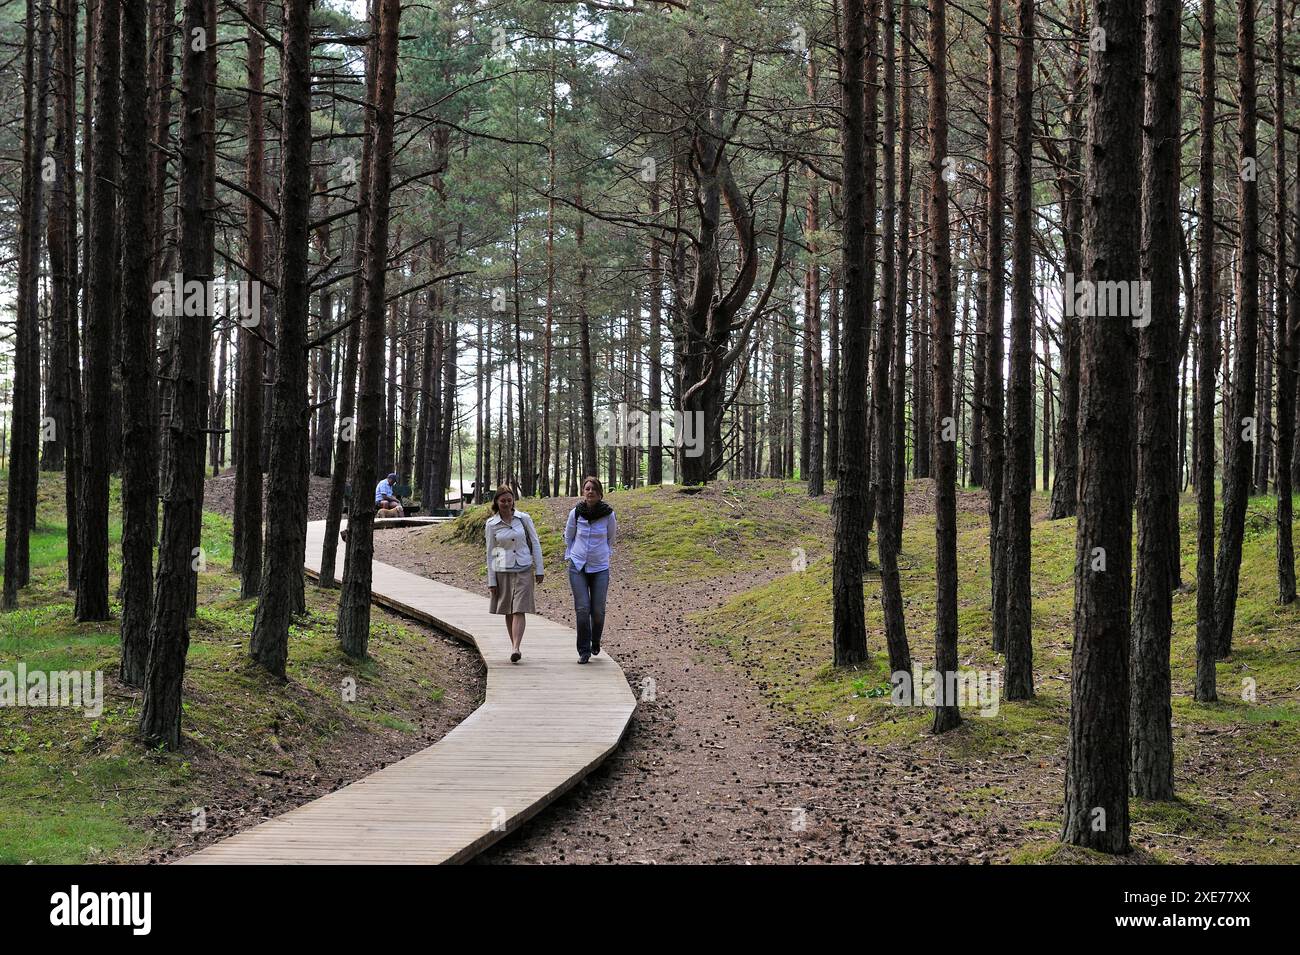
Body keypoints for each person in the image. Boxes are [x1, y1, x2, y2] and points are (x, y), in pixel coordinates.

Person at [485, 486, 544, 663]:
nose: (506, 503)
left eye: (509, 500)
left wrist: (539, 569)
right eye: (503, 500)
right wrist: (491, 580)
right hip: (503, 568)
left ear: (513, 501)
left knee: (519, 608)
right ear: (497, 502)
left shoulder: (523, 519)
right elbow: (490, 552)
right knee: (508, 610)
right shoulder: (491, 524)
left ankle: (516, 647)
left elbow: (535, 542)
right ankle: (514, 647)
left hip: (524, 567)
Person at [563, 476, 616, 664]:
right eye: (587, 488)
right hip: (578, 566)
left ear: (600, 493)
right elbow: (568, 536)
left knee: (598, 610)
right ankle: (584, 650)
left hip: (600, 567)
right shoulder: (576, 513)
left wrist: (602, 554)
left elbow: (611, 538)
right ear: (583, 492)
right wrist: (572, 555)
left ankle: (596, 640)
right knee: (583, 608)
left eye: (594, 489)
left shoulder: (608, 514)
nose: (590, 491)